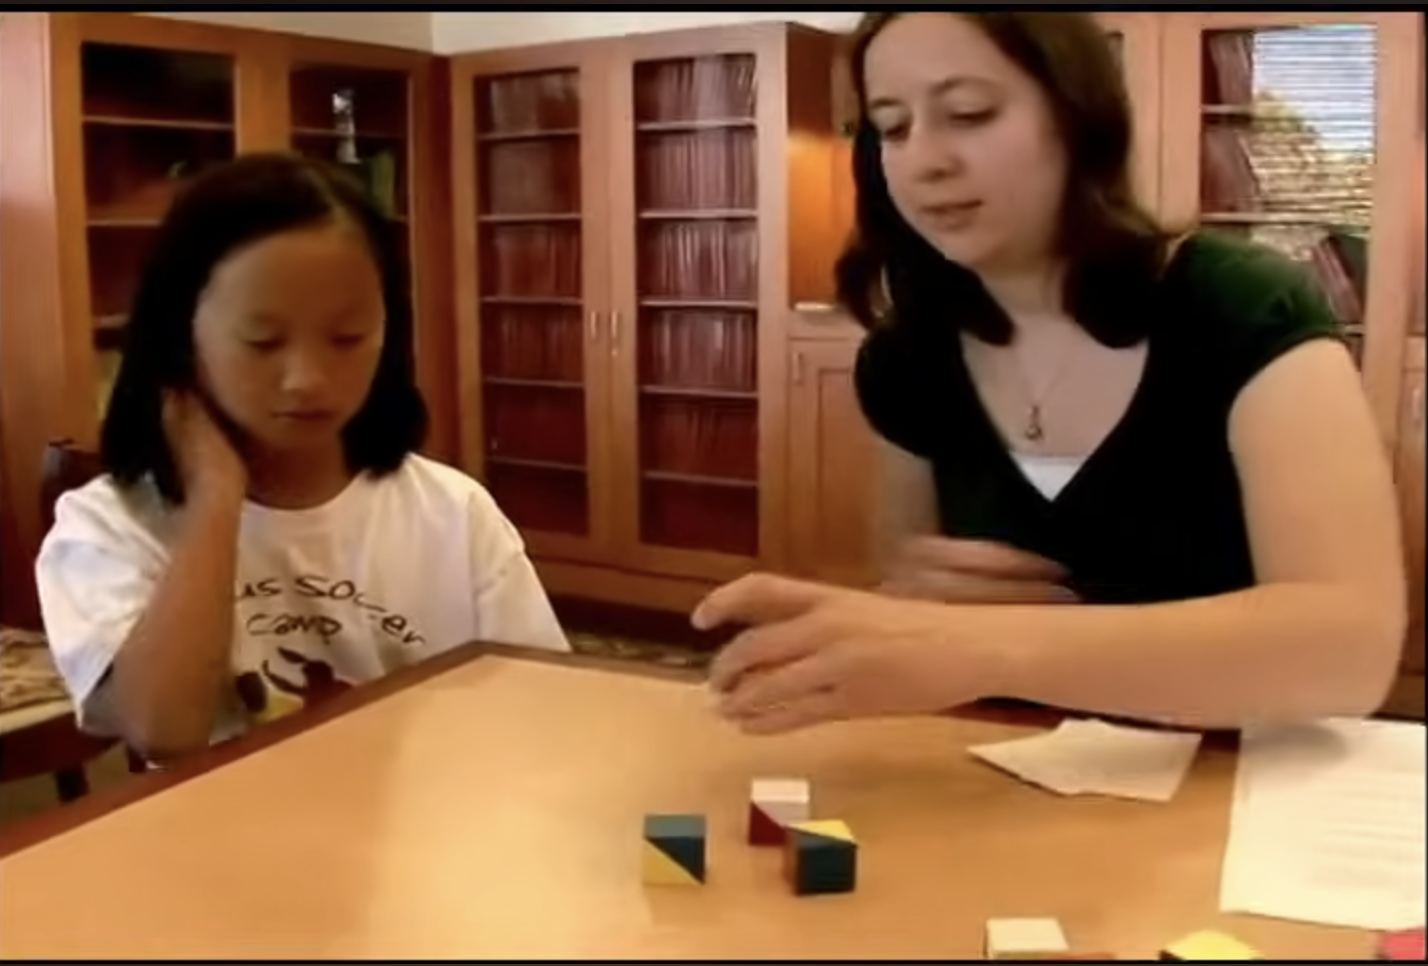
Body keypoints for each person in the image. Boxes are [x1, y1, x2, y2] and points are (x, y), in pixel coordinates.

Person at [696, 11, 1406, 735]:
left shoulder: (1239, 303)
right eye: (893, 126)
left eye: (968, 113)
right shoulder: (909, 359)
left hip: (1240, 786)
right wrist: (901, 607)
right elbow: (915, 595)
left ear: (1077, 119)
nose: (925, 159)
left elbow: (1351, 648)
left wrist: (991, 646)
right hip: (1003, 775)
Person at [36, 153, 569, 762]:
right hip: (220, 849)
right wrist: (215, 497)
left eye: (347, 337)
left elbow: (545, 707)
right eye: (262, 341)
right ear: (180, 337)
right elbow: (165, 728)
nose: (307, 379)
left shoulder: (452, 512)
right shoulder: (108, 526)